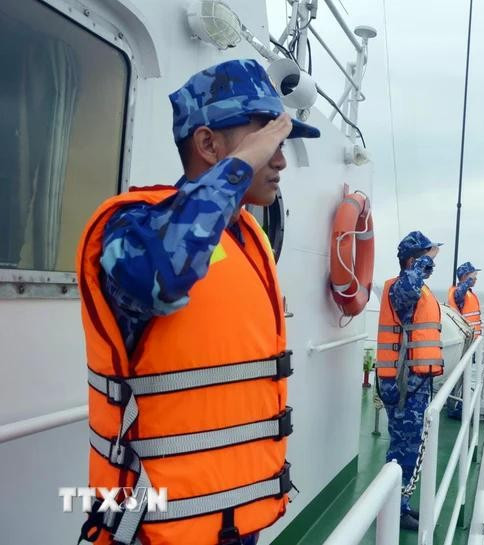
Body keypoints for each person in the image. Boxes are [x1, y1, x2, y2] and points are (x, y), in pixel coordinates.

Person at [76, 59, 319, 545]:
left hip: (236, 521)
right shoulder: (128, 229)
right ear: (209, 144)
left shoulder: (246, 235)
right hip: (148, 530)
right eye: (266, 140)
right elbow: (159, 276)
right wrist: (239, 167)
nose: (280, 160)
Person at [375, 230, 445, 531]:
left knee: (411, 445)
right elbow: (407, 291)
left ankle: (400, 503)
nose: (431, 263)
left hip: (415, 382)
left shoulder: (417, 287)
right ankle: (393, 509)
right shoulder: (401, 288)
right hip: (404, 385)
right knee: (403, 446)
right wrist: (419, 264)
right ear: (412, 260)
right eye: (426, 258)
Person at [448, 261, 482, 337]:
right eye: (473, 276)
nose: (475, 279)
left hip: (472, 338)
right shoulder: (458, 293)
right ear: (464, 276)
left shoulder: (468, 292)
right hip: (466, 337)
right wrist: (469, 279)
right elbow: (460, 293)